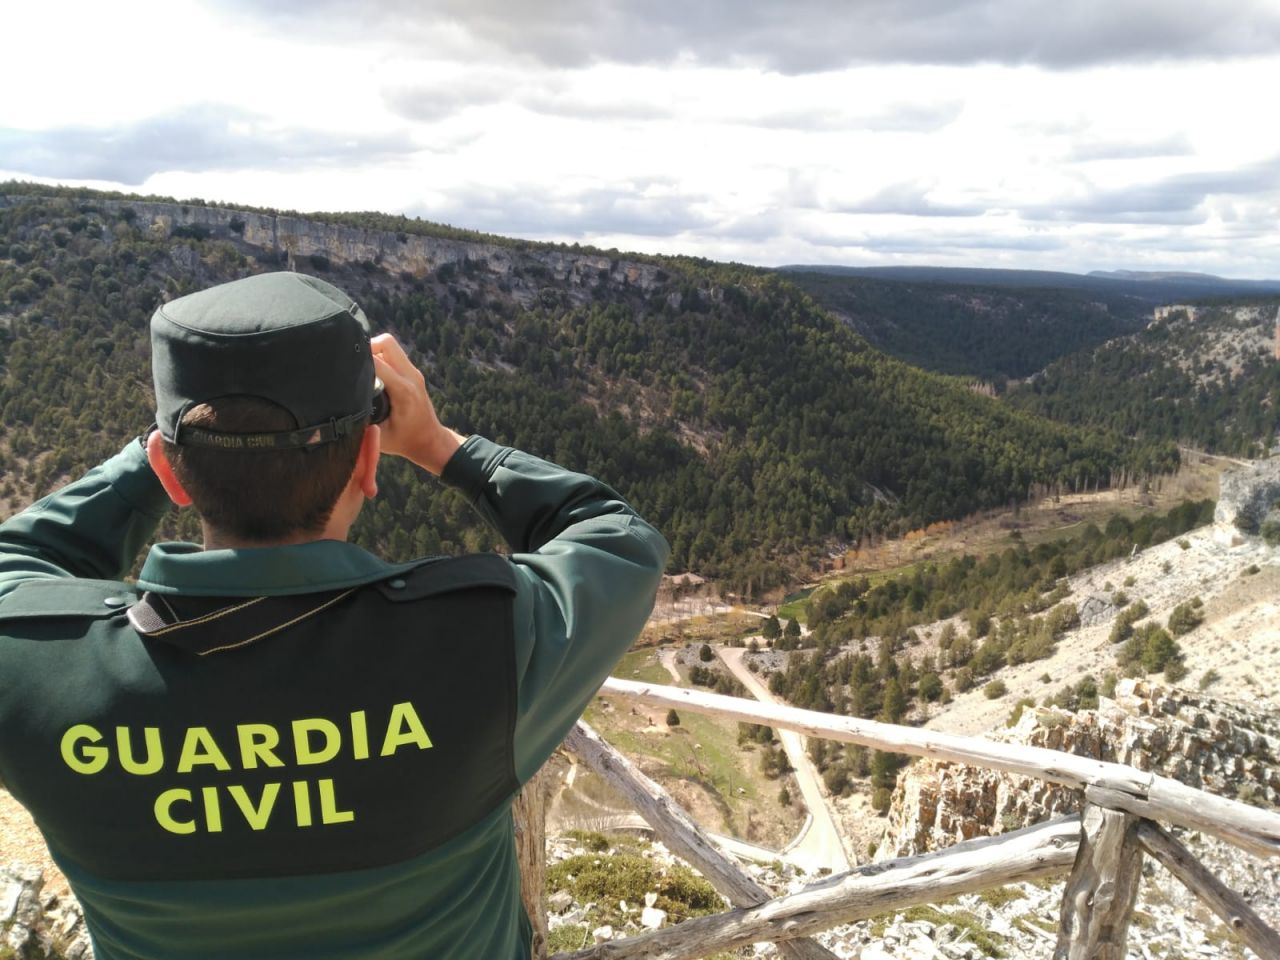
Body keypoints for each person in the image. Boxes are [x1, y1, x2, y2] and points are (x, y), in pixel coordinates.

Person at [0, 271, 669, 959]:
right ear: (369, 461)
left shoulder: (31, 669)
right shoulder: (485, 640)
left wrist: (175, 448)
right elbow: (618, 538)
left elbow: (18, 559)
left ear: (171, 473)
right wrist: (443, 446)